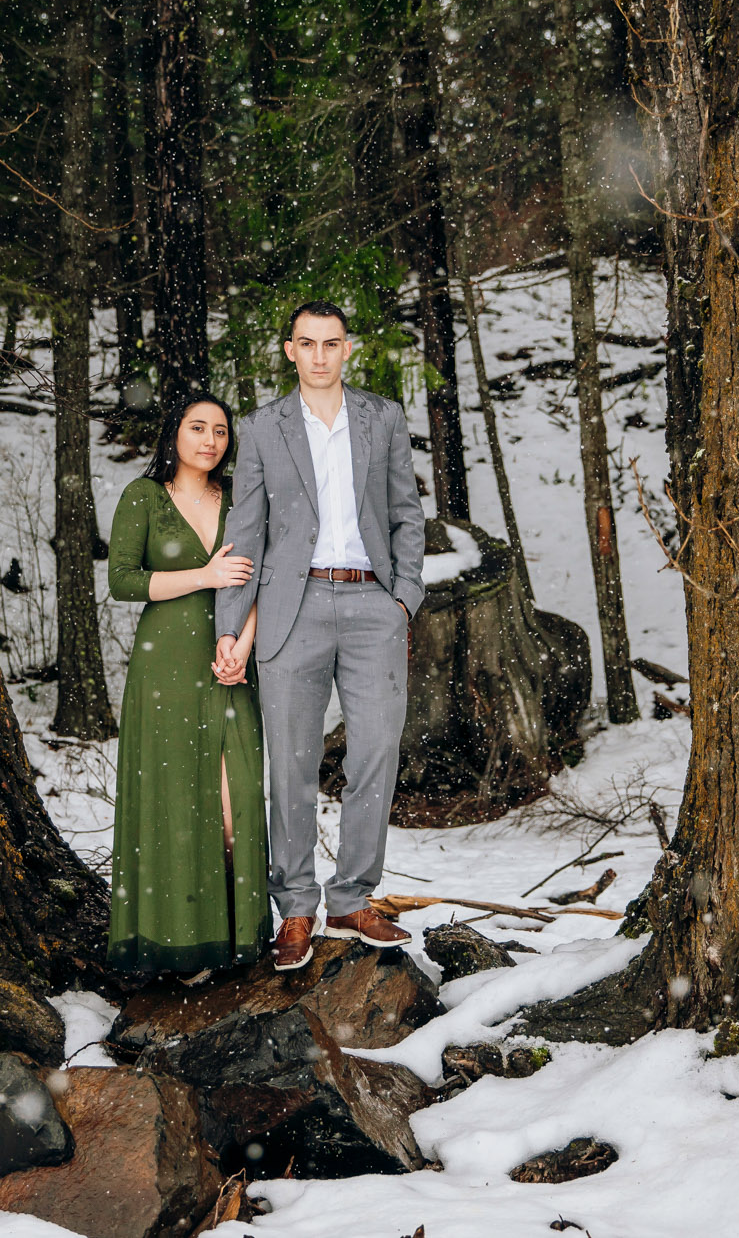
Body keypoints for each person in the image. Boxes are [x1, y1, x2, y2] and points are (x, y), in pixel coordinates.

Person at [213, 300, 426, 971]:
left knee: (374, 751)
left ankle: (354, 897)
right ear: (288, 351)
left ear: (348, 349)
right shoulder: (261, 428)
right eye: (307, 343)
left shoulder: (382, 418)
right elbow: (244, 534)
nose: (320, 356)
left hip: (371, 603)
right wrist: (229, 623)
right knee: (293, 764)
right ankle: (297, 908)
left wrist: (405, 600)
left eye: (331, 343)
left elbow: (405, 512)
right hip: (291, 605)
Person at [106, 394, 268, 976]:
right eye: (197, 427)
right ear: (173, 433)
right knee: (174, 801)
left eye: (220, 431)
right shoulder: (144, 497)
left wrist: (242, 647)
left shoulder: (242, 499)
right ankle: (180, 942)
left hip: (229, 663)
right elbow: (122, 581)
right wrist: (204, 574)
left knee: (237, 802)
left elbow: (260, 581)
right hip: (165, 667)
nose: (209, 440)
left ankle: (236, 938)